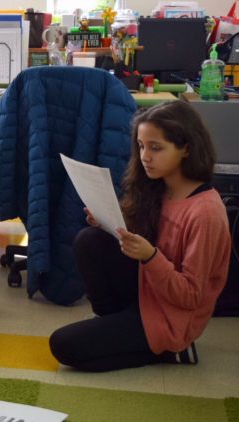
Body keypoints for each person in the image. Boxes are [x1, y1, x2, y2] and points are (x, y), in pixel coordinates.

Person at [49, 100, 231, 372]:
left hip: (173, 315)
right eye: (142, 146)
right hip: (146, 290)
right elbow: (137, 241)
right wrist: (107, 223)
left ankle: (171, 349)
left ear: (186, 149)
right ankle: (115, 323)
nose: (145, 156)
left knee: (62, 345)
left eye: (156, 148)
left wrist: (150, 256)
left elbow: (191, 296)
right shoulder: (156, 186)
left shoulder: (205, 212)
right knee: (89, 240)